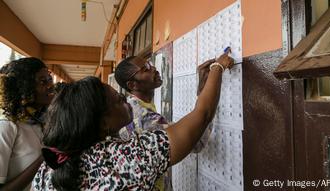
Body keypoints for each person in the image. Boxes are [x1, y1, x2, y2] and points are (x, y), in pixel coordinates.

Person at [32, 52, 234, 190]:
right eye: (120, 100)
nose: (126, 103)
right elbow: (198, 126)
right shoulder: (127, 156)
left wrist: (202, 89)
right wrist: (217, 67)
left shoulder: (47, 170)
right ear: (102, 124)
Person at [115, 56, 171, 191]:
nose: (154, 69)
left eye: (150, 64)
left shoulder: (131, 106)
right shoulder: (144, 117)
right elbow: (196, 143)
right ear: (133, 85)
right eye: (146, 69)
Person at [0, 57, 54, 191]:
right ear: (24, 88)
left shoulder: (41, 120)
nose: (50, 85)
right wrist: (43, 159)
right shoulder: (8, 126)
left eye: (49, 79)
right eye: (43, 81)